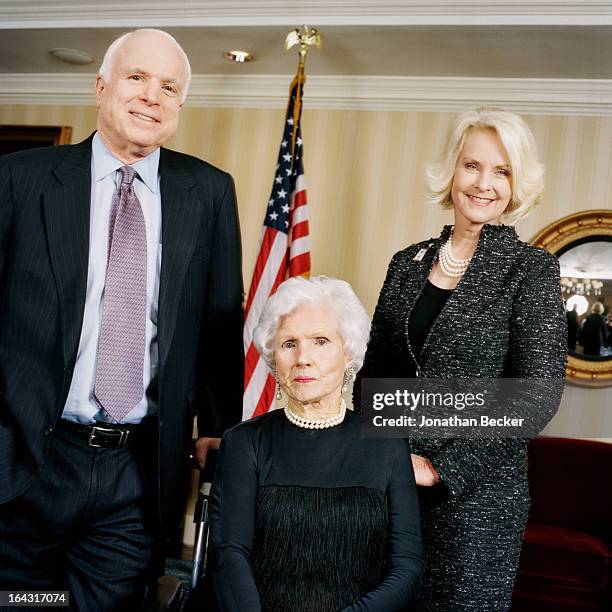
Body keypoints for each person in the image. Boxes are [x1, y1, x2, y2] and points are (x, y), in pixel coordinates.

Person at [0, 29, 243, 610]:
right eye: (137, 77)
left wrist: (217, 426)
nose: (151, 96)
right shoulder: (20, 178)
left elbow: (217, 322)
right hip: (26, 458)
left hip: (137, 470)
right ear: (102, 86)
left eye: (169, 87)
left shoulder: (208, 192)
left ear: (180, 105)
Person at [357, 108, 567, 611]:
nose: (483, 183)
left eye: (502, 171)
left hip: (475, 503)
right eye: (472, 165)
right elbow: (376, 376)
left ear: (517, 185)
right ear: (452, 171)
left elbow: (537, 395)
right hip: (390, 489)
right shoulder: (407, 261)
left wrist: (438, 466)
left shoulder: (530, 270)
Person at [208, 276, 424, 611]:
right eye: (289, 343)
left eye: (320, 341)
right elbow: (228, 555)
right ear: (273, 358)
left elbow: (407, 569)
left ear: (348, 353)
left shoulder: (388, 444)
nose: (303, 358)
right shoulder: (243, 443)